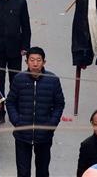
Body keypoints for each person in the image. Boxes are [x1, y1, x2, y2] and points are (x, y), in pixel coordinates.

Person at [7, 46, 64, 177]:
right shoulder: (19, 79)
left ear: (44, 62)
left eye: (38, 60)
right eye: (32, 60)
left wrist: (51, 125)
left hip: (44, 136)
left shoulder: (52, 80)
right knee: (23, 172)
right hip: (22, 135)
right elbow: (10, 101)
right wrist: (16, 121)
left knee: (43, 171)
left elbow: (59, 104)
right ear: (26, 62)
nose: (35, 63)